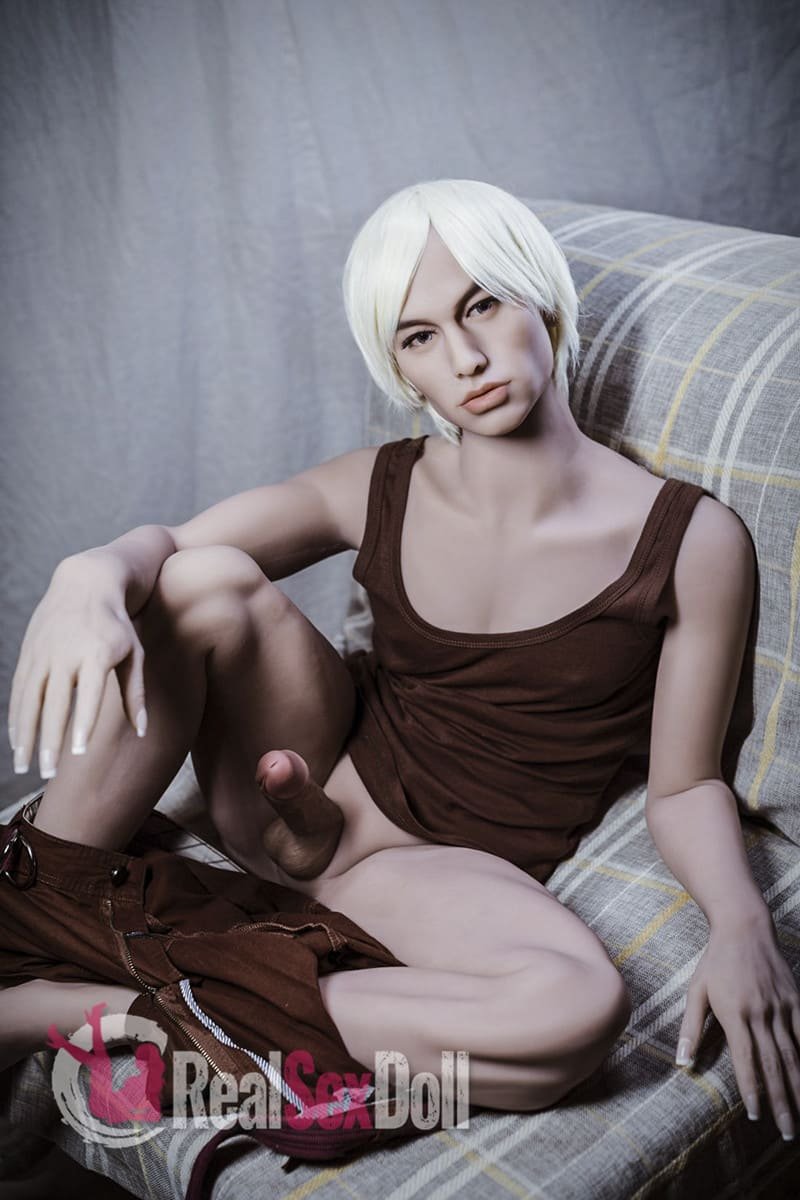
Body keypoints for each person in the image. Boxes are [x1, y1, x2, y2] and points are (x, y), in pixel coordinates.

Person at [2, 179, 798, 1148]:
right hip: (303, 778)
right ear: (402, 370)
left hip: (431, 872)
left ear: (543, 300)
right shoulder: (378, 485)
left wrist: (739, 924)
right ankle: (34, 905)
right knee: (199, 581)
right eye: (419, 337)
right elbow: (170, 552)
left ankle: (80, 1014)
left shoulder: (691, 541)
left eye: (482, 306)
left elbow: (683, 786)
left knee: (574, 1015)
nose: (465, 358)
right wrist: (87, 575)